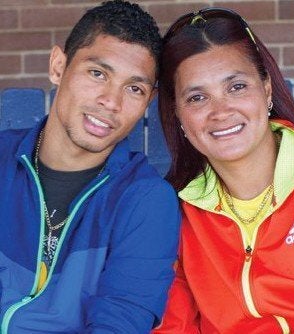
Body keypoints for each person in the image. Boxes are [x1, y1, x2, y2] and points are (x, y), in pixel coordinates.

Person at [0, 1, 181, 333]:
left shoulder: (145, 201)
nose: (111, 102)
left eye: (134, 88)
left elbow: (122, 320)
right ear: (58, 66)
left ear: (147, 102)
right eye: (98, 73)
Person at [152, 7, 294, 334]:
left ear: (266, 89)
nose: (220, 111)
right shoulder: (175, 215)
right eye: (197, 97)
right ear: (178, 115)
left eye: (236, 87)